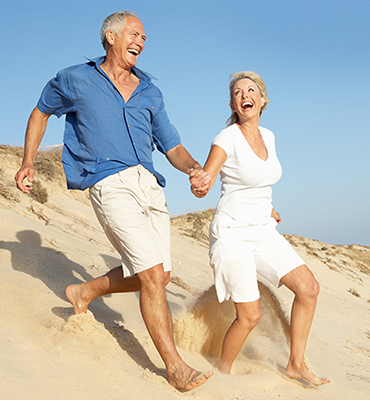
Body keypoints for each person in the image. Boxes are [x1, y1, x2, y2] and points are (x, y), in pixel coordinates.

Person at [15, 10, 213, 391]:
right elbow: (40, 112)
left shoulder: (150, 91)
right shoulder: (76, 78)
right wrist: (27, 162)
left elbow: (172, 145)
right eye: (135, 34)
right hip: (108, 182)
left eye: (144, 37)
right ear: (111, 36)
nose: (141, 41)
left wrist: (194, 169)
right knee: (153, 276)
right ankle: (174, 367)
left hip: (149, 185)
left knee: (158, 275)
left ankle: (83, 291)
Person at [190, 71, 330, 386]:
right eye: (237, 93)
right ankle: (222, 373)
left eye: (251, 90)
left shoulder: (269, 136)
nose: (244, 96)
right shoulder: (226, 138)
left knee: (308, 289)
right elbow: (209, 177)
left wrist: (268, 209)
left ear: (263, 100)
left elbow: (259, 181)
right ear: (232, 103)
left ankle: (296, 364)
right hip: (232, 233)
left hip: (263, 229)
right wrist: (201, 183)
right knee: (249, 316)